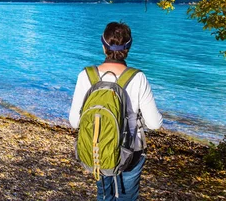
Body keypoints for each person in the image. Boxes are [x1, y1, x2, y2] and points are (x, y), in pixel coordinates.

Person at [69, 21, 163, 200]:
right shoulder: (137, 78)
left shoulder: (86, 75)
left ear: (103, 45)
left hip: (97, 148)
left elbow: (74, 122)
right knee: (127, 197)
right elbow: (155, 124)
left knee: (104, 195)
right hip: (130, 153)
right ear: (128, 48)